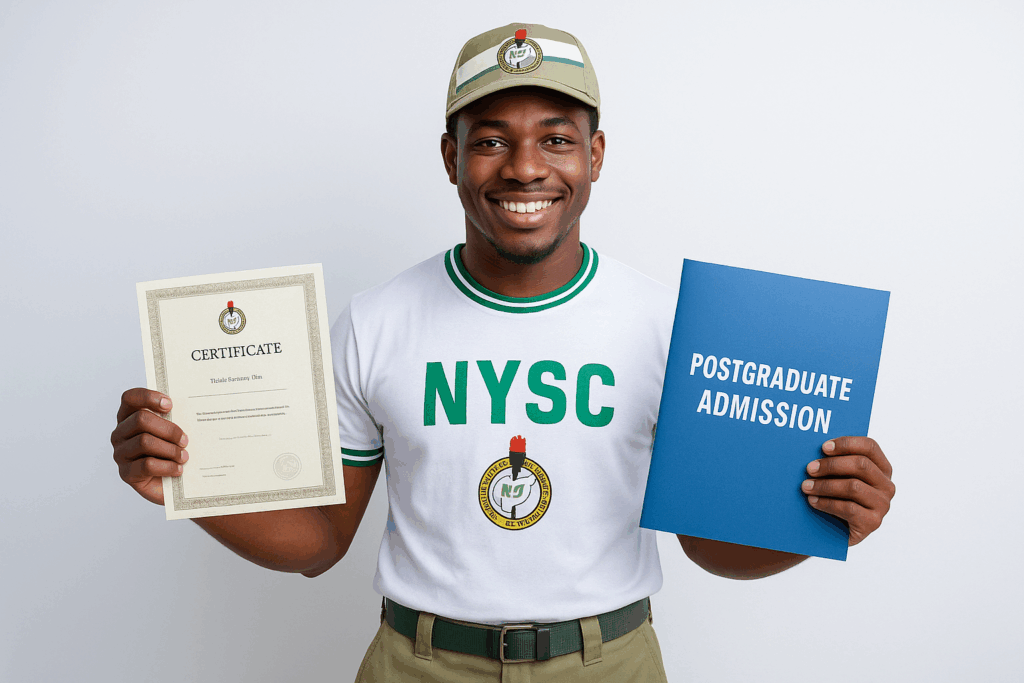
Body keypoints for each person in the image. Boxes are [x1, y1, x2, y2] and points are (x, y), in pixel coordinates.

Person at [110, 22, 896, 682]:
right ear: (451, 158)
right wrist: (189, 480)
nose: (524, 166)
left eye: (556, 138)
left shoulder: (671, 325)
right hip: (418, 660)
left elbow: (710, 546)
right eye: (490, 139)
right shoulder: (375, 321)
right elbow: (319, 541)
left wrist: (825, 518)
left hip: (608, 660)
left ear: (595, 155)